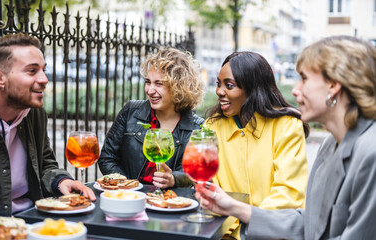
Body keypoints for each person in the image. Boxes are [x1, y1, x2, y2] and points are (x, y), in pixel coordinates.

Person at [196, 36, 376, 239]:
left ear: (333, 86)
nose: (295, 90)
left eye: (304, 78)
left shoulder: (370, 153)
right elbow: (309, 225)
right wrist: (236, 209)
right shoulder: (329, 146)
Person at [0, 33, 95, 230]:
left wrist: (60, 180)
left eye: (44, 70)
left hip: (36, 220)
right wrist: (14, 222)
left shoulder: (34, 114)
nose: (44, 79)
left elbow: (45, 162)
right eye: (32, 71)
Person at [205, 51, 309, 238]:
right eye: (218, 84)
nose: (219, 91)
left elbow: (288, 193)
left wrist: (247, 226)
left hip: (274, 233)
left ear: (253, 88)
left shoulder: (287, 126)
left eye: (229, 85)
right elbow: (208, 184)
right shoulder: (212, 127)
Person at [98, 48, 205, 188]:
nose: (149, 90)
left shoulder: (197, 127)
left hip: (168, 203)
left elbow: (196, 174)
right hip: (128, 198)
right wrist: (128, 187)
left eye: (159, 84)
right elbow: (107, 157)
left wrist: (174, 179)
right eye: (148, 82)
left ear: (179, 87)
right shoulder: (130, 111)